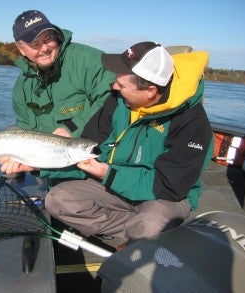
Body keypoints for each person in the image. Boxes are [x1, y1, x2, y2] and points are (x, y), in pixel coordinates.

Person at [44, 41, 214, 246]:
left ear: (150, 91)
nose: (114, 87)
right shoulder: (116, 101)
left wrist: (108, 174)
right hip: (113, 181)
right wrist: (37, 166)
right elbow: (91, 147)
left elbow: (169, 187)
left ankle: (143, 233)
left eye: (122, 85)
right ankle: (138, 234)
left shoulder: (192, 122)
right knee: (57, 200)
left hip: (163, 196)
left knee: (150, 225)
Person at [0, 10, 115, 176]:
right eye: (35, 44)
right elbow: (25, 127)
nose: (45, 48)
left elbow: (113, 99)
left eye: (48, 39)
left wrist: (72, 128)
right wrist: (25, 161)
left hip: (99, 164)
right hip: (55, 171)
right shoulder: (22, 87)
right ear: (21, 49)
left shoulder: (88, 60)